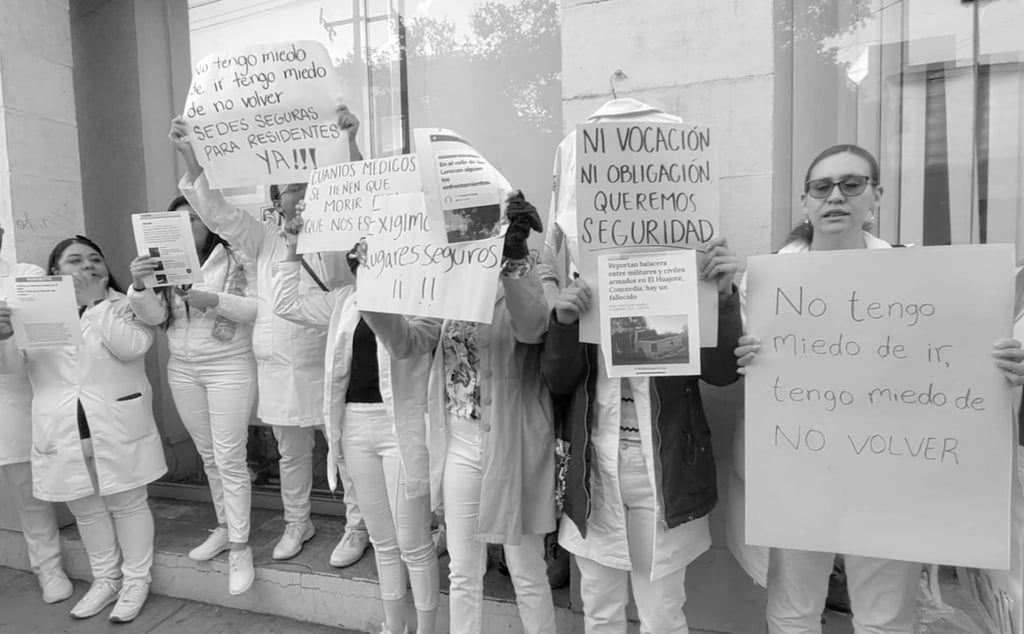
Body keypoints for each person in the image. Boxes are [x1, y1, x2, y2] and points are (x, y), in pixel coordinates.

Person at [734, 144, 1024, 634]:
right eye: (822, 187)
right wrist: (742, 354)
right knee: (793, 610)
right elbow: (744, 371)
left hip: (891, 471)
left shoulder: (921, 279)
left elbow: (953, 364)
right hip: (797, 469)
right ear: (805, 201)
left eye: (852, 184)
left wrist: (1002, 365)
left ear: (877, 197)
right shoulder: (761, 286)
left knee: (885, 615)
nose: (835, 198)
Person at [167, 109, 370, 566]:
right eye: (287, 190)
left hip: (326, 359)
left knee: (344, 450)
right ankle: (298, 521)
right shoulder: (263, 237)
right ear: (276, 202)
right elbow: (217, 213)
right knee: (290, 452)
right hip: (277, 363)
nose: (296, 195)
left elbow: (362, 194)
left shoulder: (339, 230)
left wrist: (349, 141)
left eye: (303, 186)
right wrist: (194, 160)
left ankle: (358, 526)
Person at [540, 237, 742, 633]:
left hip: (664, 476)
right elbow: (557, 380)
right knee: (600, 611)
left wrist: (721, 296)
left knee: (662, 613)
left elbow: (723, 372)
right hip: (596, 473)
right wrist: (564, 323)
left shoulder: (682, 280)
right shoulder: (587, 290)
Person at [377, 191, 558, 633]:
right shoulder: (449, 282)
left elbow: (535, 327)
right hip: (459, 440)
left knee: (525, 568)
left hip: (512, 443)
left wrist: (514, 258)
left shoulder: (528, 269)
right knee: (463, 569)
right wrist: (372, 288)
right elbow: (406, 341)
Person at [272, 231, 441, 634]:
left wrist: (374, 287)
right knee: (383, 541)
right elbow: (286, 304)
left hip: (401, 429)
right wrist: (293, 248)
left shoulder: (422, 296)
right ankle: (393, 626)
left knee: (413, 543)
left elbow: (404, 344)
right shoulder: (344, 300)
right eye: (359, 250)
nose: (360, 255)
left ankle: (427, 630)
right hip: (354, 426)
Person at [0, 235, 166, 623]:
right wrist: (3, 337)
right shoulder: (32, 311)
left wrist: (95, 304)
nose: (87, 266)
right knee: (87, 509)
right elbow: (11, 367)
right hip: (62, 426)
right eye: (74, 261)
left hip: (117, 422)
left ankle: (136, 581)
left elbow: (131, 347)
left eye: (95, 259)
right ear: (54, 272)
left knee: (128, 503)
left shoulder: (125, 305)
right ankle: (105, 580)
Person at [128, 196, 258, 595]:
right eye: (179, 221)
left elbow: (257, 309)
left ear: (211, 222)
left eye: (196, 219)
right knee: (209, 456)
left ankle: (241, 547)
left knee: (230, 456)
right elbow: (154, 318)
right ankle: (224, 527)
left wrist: (214, 299)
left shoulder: (239, 256)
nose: (188, 227)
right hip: (182, 368)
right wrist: (138, 284)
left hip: (229, 365)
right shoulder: (162, 265)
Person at [0, 225, 74, 605]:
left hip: (13, 400)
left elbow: (42, 341)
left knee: (30, 490)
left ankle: (47, 565)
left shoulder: (24, 277)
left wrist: (7, 335)